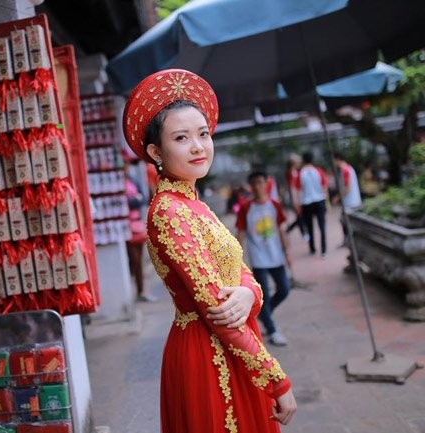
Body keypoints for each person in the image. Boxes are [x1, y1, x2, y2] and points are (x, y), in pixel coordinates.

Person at [122, 68, 296, 433]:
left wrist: (250, 292)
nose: (199, 145)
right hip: (208, 352)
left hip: (234, 344)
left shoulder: (194, 203)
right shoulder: (169, 211)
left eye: (203, 134)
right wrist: (276, 381)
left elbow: (236, 268)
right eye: (182, 138)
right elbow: (216, 307)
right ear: (156, 151)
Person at [236, 171, 291, 346]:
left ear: (266, 183)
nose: (257, 186)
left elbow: (281, 229)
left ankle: (266, 314)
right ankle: (273, 330)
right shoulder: (246, 208)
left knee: (284, 289)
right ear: (250, 186)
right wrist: (238, 259)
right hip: (259, 258)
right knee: (263, 295)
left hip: (276, 255)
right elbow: (241, 233)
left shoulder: (274, 205)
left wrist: (287, 252)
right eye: (254, 183)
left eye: (260, 182)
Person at [123, 156, 156, 302]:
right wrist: (134, 199)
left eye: (128, 164)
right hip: (125, 226)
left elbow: (143, 198)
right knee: (133, 260)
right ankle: (136, 289)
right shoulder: (119, 182)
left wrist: (136, 200)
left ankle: (141, 290)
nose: (127, 166)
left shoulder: (131, 179)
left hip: (136, 224)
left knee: (138, 260)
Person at [299, 152, 328, 257]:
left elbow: (298, 190)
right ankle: (324, 250)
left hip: (306, 203)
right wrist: (327, 203)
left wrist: (297, 205)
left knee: (309, 227)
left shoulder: (301, 173)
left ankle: (312, 248)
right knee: (322, 227)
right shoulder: (318, 171)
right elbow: (324, 187)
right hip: (320, 200)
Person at [333, 152, 362, 246]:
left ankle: (349, 241)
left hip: (350, 202)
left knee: (345, 221)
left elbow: (347, 188)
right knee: (345, 221)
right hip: (353, 201)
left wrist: (337, 197)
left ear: (337, 159)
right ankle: (349, 241)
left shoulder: (344, 169)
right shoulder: (348, 168)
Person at [284, 153, 307, 240]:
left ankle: (292, 230)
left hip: (297, 195)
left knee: (300, 216)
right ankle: (303, 233)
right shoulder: (291, 173)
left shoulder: (295, 172)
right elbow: (291, 187)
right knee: (299, 216)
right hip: (294, 196)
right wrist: (294, 199)